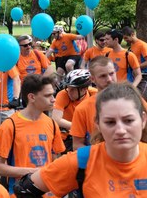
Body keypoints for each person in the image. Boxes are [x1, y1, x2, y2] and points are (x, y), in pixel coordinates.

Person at [13, 83, 147, 197]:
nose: (120, 130)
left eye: (128, 120)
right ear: (98, 124)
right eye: (110, 122)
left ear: (143, 120)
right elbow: (25, 190)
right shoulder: (82, 161)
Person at [0, 74, 65, 195]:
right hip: (20, 192)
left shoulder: (51, 123)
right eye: (48, 95)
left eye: (53, 94)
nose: (54, 99)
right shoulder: (10, 126)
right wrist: (33, 172)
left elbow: (55, 161)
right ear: (31, 97)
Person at [69, 56, 118, 150]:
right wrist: (99, 156)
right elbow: (77, 145)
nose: (109, 79)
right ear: (92, 79)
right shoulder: (83, 109)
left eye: (111, 74)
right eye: (103, 76)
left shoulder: (133, 100)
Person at [51, 69, 96, 152]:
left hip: (89, 135)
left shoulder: (94, 93)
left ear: (83, 89)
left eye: (72, 89)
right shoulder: (63, 94)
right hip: (67, 137)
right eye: (68, 88)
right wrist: (79, 128)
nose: (69, 92)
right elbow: (56, 119)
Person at [122, 26, 147, 95]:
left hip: (144, 77)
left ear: (132, 34)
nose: (125, 40)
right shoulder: (132, 45)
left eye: (126, 38)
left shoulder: (142, 45)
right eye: (124, 39)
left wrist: (136, 67)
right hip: (135, 76)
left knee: (141, 98)